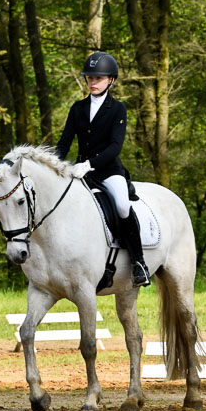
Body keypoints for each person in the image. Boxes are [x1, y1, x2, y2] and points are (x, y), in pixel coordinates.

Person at [55, 51, 151, 287]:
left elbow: (115, 147)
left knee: (122, 205)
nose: (93, 82)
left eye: (98, 78)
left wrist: (90, 164)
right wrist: (54, 164)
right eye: (90, 78)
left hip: (108, 170)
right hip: (79, 171)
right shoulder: (77, 108)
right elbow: (64, 142)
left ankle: (139, 263)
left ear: (111, 80)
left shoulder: (118, 109)